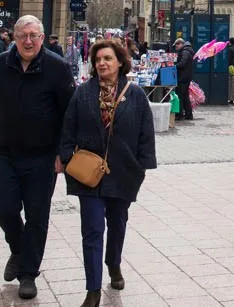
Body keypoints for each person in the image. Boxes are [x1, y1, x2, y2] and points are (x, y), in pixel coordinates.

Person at [0, 15, 74, 301]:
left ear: (42, 37)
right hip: (6, 153)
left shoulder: (57, 68)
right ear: (14, 37)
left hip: (43, 158)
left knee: (37, 217)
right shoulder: (0, 64)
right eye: (22, 36)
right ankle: (18, 249)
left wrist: (63, 153)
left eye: (34, 35)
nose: (28, 41)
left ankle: (28, 274)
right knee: (3, 208)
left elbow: (69, 114)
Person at [59, 38, 155, 307]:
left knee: (117, 223)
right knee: (91, 229)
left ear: (120, 62)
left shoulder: (134, 94)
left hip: (124, 171)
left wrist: (141, 167)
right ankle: (92, 290)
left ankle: (113, 264)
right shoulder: (83, 93)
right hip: (88, 173)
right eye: (98, 59)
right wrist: (67, 158)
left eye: (107, 59)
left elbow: (146, 132)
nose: (102, 63)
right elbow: (68, 127)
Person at [173, 37, 195, 121]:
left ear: (181, 44)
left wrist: (174, 66)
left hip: (183, 77)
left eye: (177, 46)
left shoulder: (185, 52)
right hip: (185, 77)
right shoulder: (187, 51)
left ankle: (180, 115)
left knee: (180, 96)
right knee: (185, 96)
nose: (176, 48)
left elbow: (183, 63)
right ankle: (188, 114)